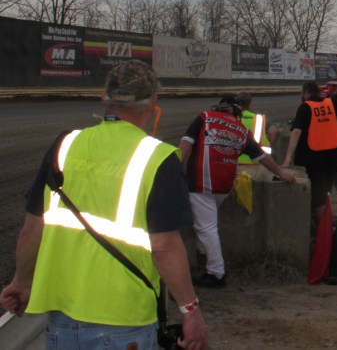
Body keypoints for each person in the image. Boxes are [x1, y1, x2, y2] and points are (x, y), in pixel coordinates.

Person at [0, 60, 209, 350]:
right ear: (153, 104)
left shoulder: (65, 145)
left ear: (104, 99)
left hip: (62, 317)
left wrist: (21, 283)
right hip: (124, 318)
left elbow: (32, 228)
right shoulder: (159, 157)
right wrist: (190, 311)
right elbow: (164, 247)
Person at [179, 95, 295, 288]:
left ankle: (216, 273)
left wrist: (174, 169)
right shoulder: (241, 129)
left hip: (200, 182)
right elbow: (261, 157)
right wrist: (281, 172)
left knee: (206, 227)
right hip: (224, 185)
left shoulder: (204, 117)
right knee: (207, 223)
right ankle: (204, 253)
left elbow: (185, 144)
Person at [283, 81, 337, 227]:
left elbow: (296, 131)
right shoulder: (332, 103)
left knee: (317, 198)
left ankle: (326, 230)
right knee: (324, 193)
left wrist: (287, 158)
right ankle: (322, 226)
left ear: (306, 92)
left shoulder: (305, 107)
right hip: (332, 155)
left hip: (311, 157)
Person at [236, 91, 275, 166]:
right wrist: (270, 144)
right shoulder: (259, 119)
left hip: (236, 162)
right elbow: (275, 132)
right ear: (249, 104)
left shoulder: (231, 118)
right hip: (259, 161)